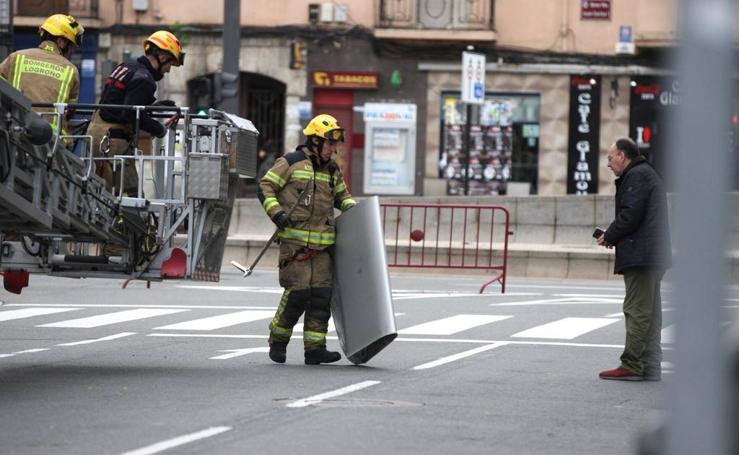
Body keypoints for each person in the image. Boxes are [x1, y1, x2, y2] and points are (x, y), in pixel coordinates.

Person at [258, 114, 356, 365]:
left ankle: (315, 348)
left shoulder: (332, 169)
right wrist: (277, 213)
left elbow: (342, 197)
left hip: (322, 247)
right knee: (298, 295)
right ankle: (278, 340)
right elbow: (266, 186)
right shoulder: (290, 162)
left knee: (321, 297)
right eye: (330, 142)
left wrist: (355, 211)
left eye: (335, 143)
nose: (333, 148)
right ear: (314, 141)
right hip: (295, 245)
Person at [597, 137, 671, 381]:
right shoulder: (646, 173)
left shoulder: (636, 176)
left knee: (637, 309)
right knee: (650, 310)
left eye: (610, 158)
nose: (608, 164)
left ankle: (632, 364)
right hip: (651, 253)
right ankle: (650, 364)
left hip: (642, 254)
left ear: (622, 156)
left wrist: (610, 235)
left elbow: (630, 214)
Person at [86, 30, 184, 195]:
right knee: (130, 195)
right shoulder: (146, 79)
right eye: (169, 64)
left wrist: (152, 106)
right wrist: (159, 129)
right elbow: (130, 113)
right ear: (161, 56)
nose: (168, 70)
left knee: (104, 191)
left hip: (97, 134)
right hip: (113, 141)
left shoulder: (125, 67)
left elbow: (119, 100)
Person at [0, 14, 84, 138]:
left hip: (13, 132)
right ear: (61, 42)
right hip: (51, 140)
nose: (72, 51)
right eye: (71, 46)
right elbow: (70, 110)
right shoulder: (71, 70)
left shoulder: (17, 57)